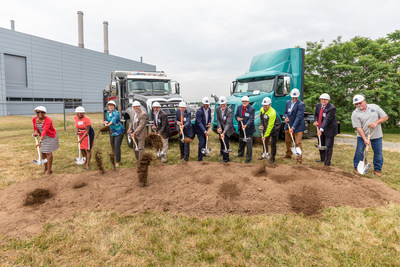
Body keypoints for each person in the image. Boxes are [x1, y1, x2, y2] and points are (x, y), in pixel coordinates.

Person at [351, 94, 388, 176]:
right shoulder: (355, 113)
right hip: (362, 136)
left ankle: (378, 169)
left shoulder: (374, 107)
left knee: (378, 153)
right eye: (356, 104)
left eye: (360, 103)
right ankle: (357, 167)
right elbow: (358, 127)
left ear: (364, 101)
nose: (358, 105)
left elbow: (385, 117)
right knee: (359, 152)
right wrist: (365, 139)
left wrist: (376, 123)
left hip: (377, 136)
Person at [32, 106, 59, 175]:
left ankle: (49, 170)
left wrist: (40, 141)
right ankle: (45, 166)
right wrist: (35, 132)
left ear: (45, 113)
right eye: (38, 112)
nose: (40, 113)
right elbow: (35, 128)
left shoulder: (48, 120)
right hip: (42, 136)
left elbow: (44, 131)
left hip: (50, 136)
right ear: (36, 112)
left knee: (48, 152)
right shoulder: (34, 119)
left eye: (42, 112)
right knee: (43, 152)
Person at [313, 93, 338, 166]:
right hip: (320, 128)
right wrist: (316, 121)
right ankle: (322, 158)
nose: (323, 101)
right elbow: (316, 115)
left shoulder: (332, 108)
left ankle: (327, 163)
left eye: (325, 99)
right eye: (322, 99)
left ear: (328, 100)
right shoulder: (318, 105)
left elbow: (327, 120)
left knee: (327, 146)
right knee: (321, 144)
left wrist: (321, 129)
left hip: (329, 129)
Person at [283, 88, 306, 164]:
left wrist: (293, 127)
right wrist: (286, 117)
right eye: (292, 97)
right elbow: (285, 112)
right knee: (287, 141)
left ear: (298, 96)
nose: (294, 99)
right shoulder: (287, 102)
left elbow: (298, 117)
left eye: (295, 97)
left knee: (298, 143)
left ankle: (299, 159)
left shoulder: (301, 104)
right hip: (288, 125)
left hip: (298, 127)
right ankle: (288, 154)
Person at [258, 97, 281, 164]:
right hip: (267, 126)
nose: (264, 106)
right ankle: (264, 154)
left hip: (275, 127)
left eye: (266, 105)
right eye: (263, 105)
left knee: (273, 143)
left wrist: (265, 135)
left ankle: (272, 158)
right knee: (264, 141)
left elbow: (270, 126)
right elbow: (261, 118)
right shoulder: (261, 109)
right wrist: (262, 125)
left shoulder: (272, 113)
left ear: (270, 104)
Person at [104, 100, 125, 167]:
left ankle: (117, 161)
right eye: (109, 105)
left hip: (119, 132)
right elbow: (108, 120)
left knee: (117, 146)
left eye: (112, 105)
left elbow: (113, 121)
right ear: (108, 106)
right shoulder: (107, 112)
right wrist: (105, 122)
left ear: (114, 106)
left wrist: (108, 125)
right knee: (112, 145)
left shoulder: (117, 113)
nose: (110, 107)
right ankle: (114, 158)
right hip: (112, 132)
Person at [235, 95, 255, 163]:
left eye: (245, 101)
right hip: (241, 128)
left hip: (248, 129)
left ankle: (248, 157)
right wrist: (238, 118)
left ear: (248, 102)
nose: (244, 102)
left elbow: (251, 119)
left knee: (249, 144)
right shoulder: (239, 107)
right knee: (241, 142)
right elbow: (236, 115)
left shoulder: (251, 109)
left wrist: (246, 125)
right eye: (243, 101)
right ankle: (240, 154)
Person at [216, 96, 234, 163]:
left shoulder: (229, 111)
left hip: (227, 128)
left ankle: (226, 158)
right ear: (220, 104)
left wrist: (224, 132)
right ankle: (222, 152)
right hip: (222, 126)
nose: (222, 105)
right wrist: (219, 127)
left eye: (224, 104)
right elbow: (218, 119)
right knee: (221, 140)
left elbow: (228, 123)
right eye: (221, 104)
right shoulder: (218, 109)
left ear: (226, 103)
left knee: (225, 141)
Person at [195, 97, 212, 161]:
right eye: (204, 104)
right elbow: (199, 122)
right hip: (199, 129)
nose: (206, 106)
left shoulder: (209, 109)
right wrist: (204, 131)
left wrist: (209, 123)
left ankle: (203, 154)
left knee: (205, 141)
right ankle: (199, 158)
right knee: (201, 142)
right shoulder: (199, 111)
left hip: (205, 128)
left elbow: (210, 117)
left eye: (207, 104)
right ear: (202, 104)